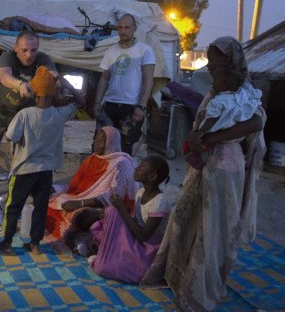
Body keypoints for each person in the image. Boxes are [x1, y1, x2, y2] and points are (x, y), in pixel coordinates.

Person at [141, 37, 267, 312]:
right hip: (203, 167)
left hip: (225, 168)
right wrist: (195, 138)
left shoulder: (244, 90)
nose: (209, 66)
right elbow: (203, 120)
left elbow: (256, 121)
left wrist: (212, 138)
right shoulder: (216, 88)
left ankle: (199, 293)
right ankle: (178, 277)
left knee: (214, 229)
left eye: (215, 60)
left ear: (230, 61)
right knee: (186, 216)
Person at [0, 67, 84, 255]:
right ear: (53, 94)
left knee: (13, 207)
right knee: (40, 208)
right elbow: (81, 101)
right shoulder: (60, 114)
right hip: (45, 171)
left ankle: (7, 243)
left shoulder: (25, 114)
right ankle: (35, 244)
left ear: (35, 93)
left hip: (23, 171)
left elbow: (11, 137)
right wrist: (62, 80)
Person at [0, 30, 57, 189]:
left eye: (33, 50)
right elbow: (5, 76)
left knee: (33, 149)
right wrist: (20, 84)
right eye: (24, 50)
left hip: (27, 114)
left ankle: (34, 185)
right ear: (16, 48)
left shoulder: (43, 59)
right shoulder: (7, 57)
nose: (29, 55)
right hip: (0, 110)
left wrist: (56, 82)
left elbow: (53, 76)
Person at [89, 155, 173, 283]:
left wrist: (121, 208)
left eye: (142, 167)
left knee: (102, 268)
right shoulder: (140, 193)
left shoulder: (159, 202)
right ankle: (107, 255)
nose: (136, 168)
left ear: (152, 176)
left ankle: (108, 259)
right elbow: (135, 220)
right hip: (137, 239)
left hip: (147, 250)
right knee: (111, 212)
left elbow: (144, 236)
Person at [46, 126, 138, 241]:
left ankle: (83, 234)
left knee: (81, 217)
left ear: (111, 142)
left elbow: (114, 197)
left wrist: (81, 203)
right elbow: (75, 187)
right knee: (45, 199)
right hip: (80, 199)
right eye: (95, 139)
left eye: (101, 141)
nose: (95, 143)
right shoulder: (93, 158)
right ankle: (77, 234)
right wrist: (55, 189)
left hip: (105, 208)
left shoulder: (122, 164)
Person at [93, 13, 155, 155]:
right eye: (120, 28)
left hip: (131, 107)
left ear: (134, 28)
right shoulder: (111, 51)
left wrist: (141, 106)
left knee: (124, 148)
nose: (123, 31)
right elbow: (104, 78)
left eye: (127, 27)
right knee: (100, 146)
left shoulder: (145, 50)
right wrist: (97, 103)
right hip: (109, 104)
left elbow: (148, 80)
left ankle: (121, 176)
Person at [183, 65, 262, 169]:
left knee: (189, 146)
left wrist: (200, 133)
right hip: (230, 134)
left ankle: (197, 161)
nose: (212, 84)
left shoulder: (218, 102)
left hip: (213, 132)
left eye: (214, 81)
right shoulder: (240, 96)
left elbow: (211, 119)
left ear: (224, 83)